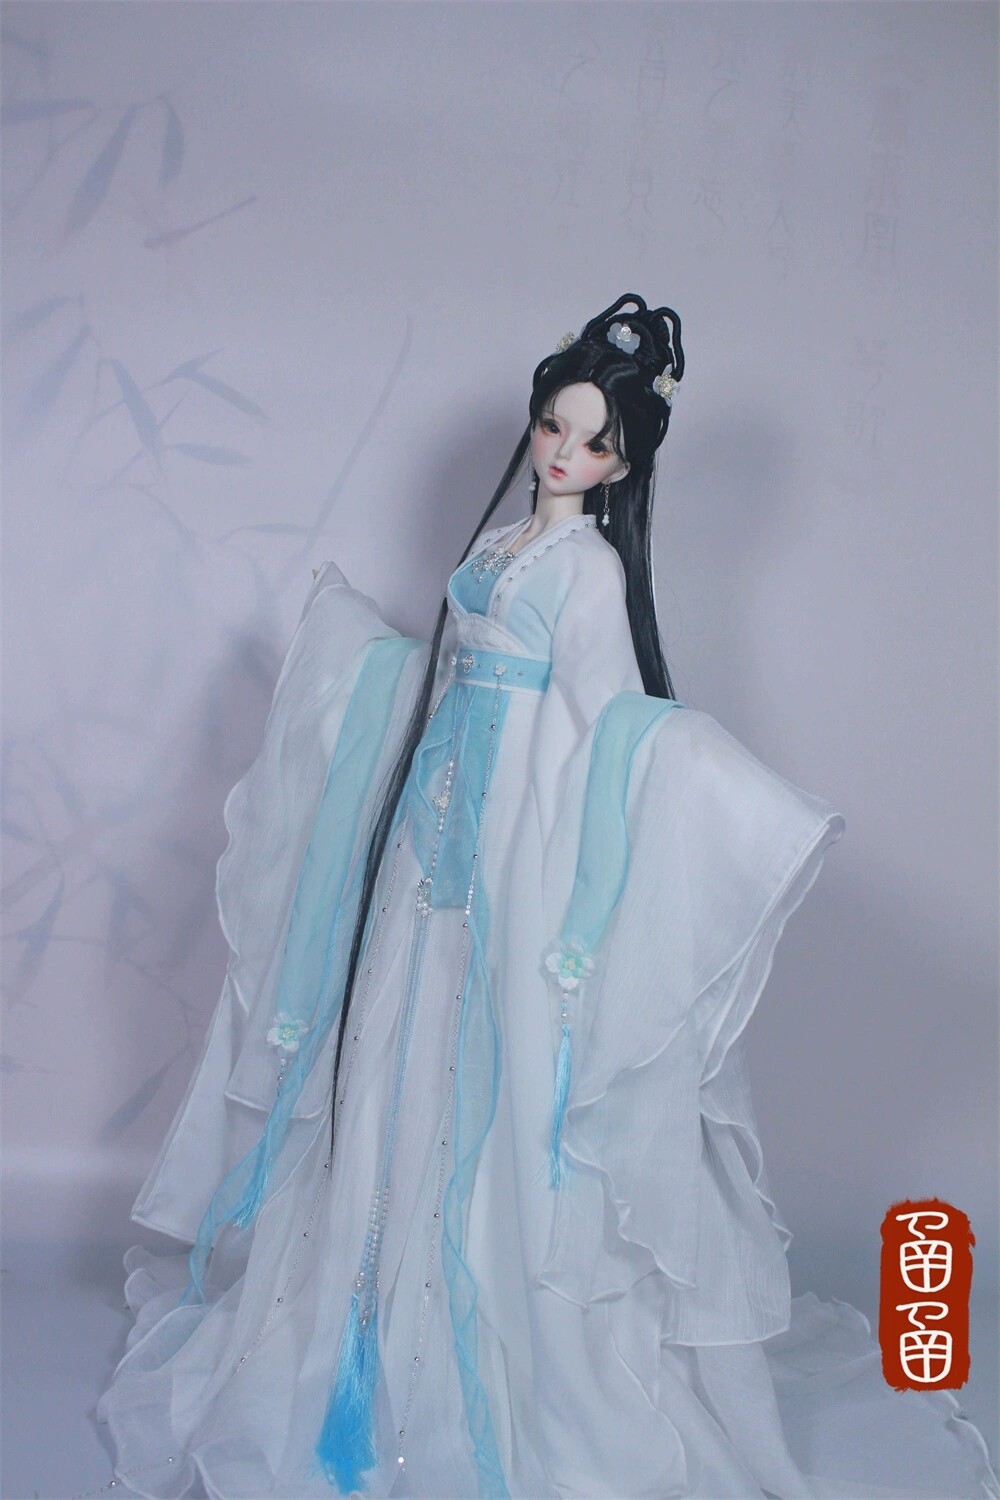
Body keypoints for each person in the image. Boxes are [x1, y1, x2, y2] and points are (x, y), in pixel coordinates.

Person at [95, 295, 998, 1499]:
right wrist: (364, 666)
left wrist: (670, 822)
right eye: (554, 427)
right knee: (396, 1063)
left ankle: (477, 1333)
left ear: (623, 463)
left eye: (593, 442)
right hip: (428, 840)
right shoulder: (499, 544)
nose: (565, 453)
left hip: (509, 855)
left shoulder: (584, 570)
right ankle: (363, 1311)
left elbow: (608, 724)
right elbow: (449, 673)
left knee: (489, 1074)